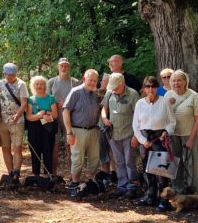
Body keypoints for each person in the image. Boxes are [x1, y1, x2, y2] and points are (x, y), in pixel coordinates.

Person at [133, 76, 176, 211]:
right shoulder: (140, 103)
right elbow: (135, 125)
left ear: (157, 87)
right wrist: (143, 141)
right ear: (144, 88)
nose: (150, 89)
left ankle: (163, 200)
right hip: (145, 139)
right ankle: (149, 196)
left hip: (159, 139)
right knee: (147, 170)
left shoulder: (164, 102)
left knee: (161, 171)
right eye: (147, 86)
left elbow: (172, 122)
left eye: (153, 86)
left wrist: (166, 132)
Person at [100, 73, 140, 198]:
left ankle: (132, 187)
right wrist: (105, 118)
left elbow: (139, 115)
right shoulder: (109, 93)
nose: (113, 89)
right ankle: (122, 186)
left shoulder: (133, 94)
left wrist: (136, 136)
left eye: (115, 87)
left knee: (129, 162)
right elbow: (103, 108)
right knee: (119, 162)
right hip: (113, 134)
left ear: (122, 83)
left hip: (129, 134)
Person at [164, 70, 198, 192]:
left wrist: (191, 139)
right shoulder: (168, 95)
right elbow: (163, 115)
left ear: (185, 81)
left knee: (191, 162)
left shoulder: (193, 96)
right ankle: (177, 189)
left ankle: (193, 189)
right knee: (174, 162)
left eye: (179, 80)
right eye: (173, 81)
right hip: (172, 134)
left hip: (189, 134)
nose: (176, 83)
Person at [63, 69, 102, 197]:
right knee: (77, 158)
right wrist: (69, 132)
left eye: (95, 81)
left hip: (94, 130)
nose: (92, 83)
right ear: (84, 79)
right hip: (78, 130)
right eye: (90, 80)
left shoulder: (96, 94)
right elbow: (66, 111)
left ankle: (90, 183)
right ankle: (74, 184)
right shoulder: (75, 92)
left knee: (94, 158)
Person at [0, 62, 29, 183]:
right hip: (2, 121)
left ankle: (16, 172)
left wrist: (17, 115)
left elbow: (24, 103)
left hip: (17, 121)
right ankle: (10, 173)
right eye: (8, 75)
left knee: (17, 148)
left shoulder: (21, 84)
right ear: (4, 74)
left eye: (13, 75)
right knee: (5, 148)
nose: (10, 77)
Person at [48, 57, 81, 175]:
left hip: (70, 118)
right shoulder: (51, 82)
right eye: (61, 65)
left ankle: (73, 175)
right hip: (55, 117)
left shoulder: (75, 82)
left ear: (69, 67)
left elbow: (79, 100)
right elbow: (46, 98)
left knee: (70, 146)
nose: (64, 68)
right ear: (58, 67)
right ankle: (53, 174)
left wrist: (67, 104)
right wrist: (54, 104)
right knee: (54, 146)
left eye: (66, 66)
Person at [26, 76, 58, 176]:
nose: (39, 86)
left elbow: (55, 115)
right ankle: (36, 175)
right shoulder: (30, 99)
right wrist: (40, 116)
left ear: (45, 86)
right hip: (34, 128)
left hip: (48, 128)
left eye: (41, 84)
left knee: (48, 151)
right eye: (37, 84)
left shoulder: (51, 98)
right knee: (35, 151)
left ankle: (48, 175)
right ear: (33, 86)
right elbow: (29, 117)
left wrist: (45, 113)